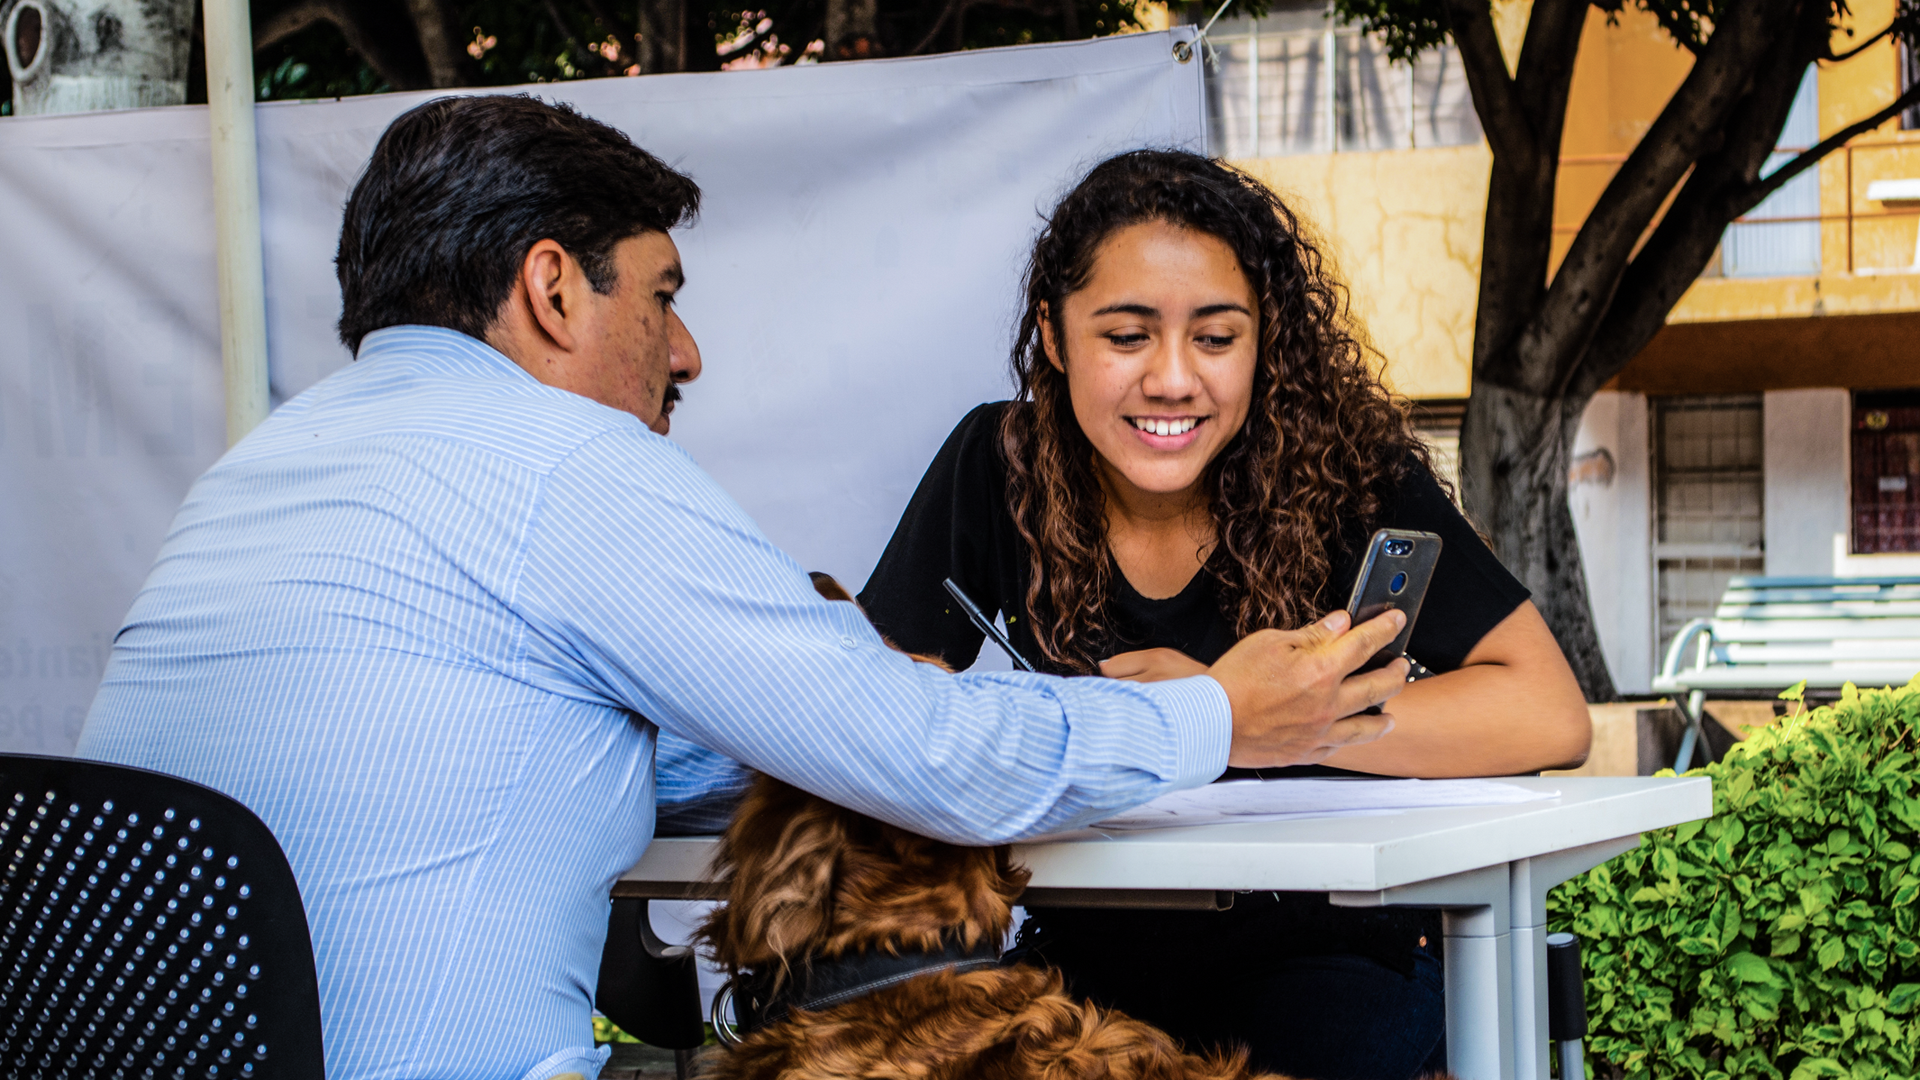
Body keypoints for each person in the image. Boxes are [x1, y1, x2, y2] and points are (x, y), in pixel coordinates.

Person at [76, 100, 1413, 1080]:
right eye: (661, 295)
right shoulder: (562, 460)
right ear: (552, 288)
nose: (689, 349)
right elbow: (925, 762)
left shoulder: (257, 472)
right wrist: (1220, 720)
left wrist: (818, 725)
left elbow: (532, 749)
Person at [857, 149, 1592, 1080]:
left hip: (1327, 958)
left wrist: (1265, 722)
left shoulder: (1350, 474)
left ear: (1265, 339)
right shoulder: (993, 464)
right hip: (1086, 966)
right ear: (1053, 334)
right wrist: (1166, 724)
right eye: (1126, 337)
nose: (1174, 381)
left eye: (1216, 338)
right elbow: (880, 707)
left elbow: (1547, 712)